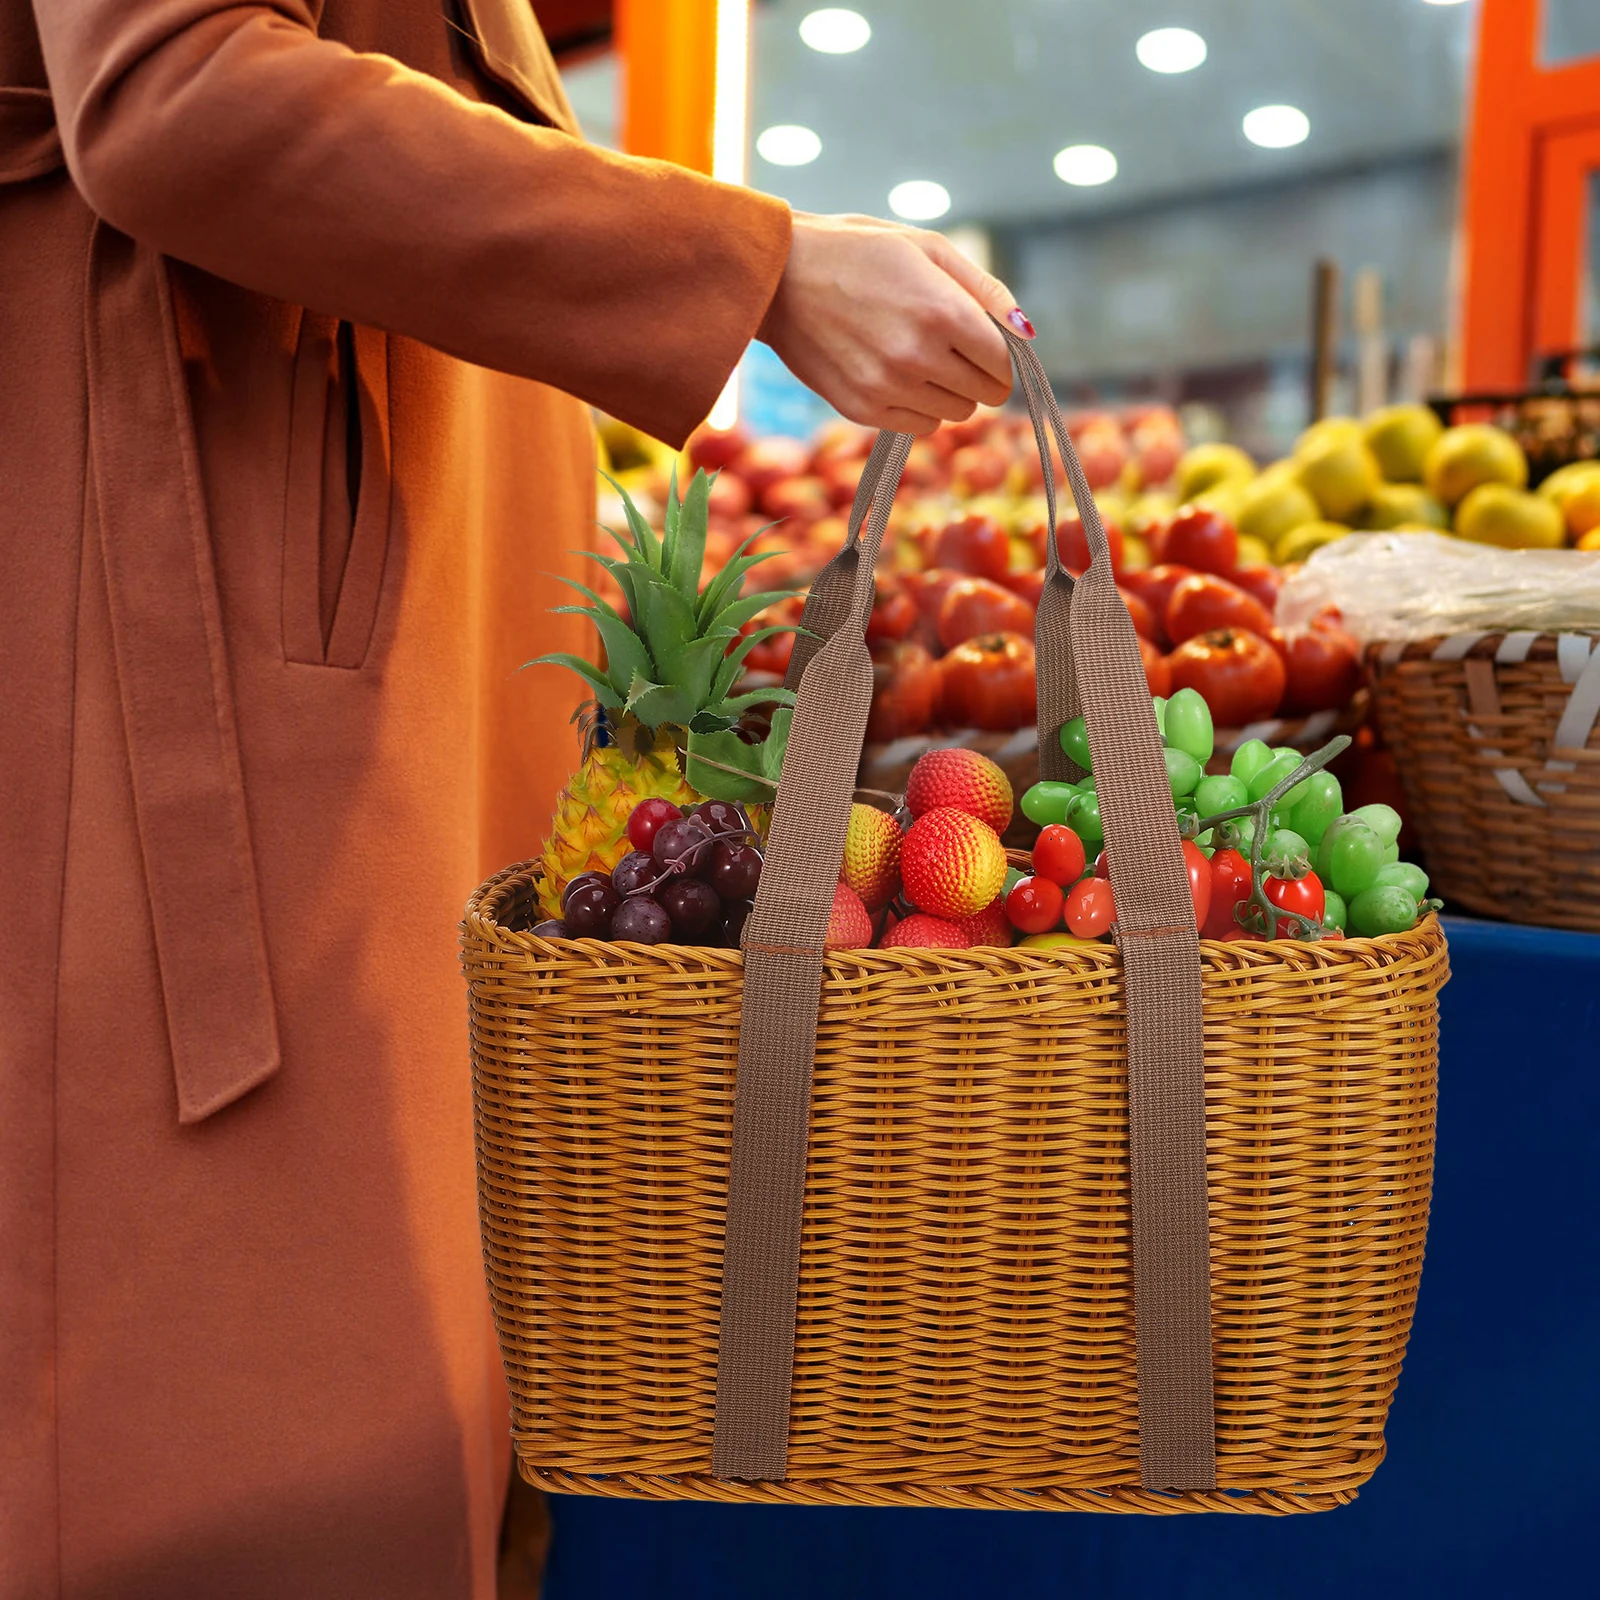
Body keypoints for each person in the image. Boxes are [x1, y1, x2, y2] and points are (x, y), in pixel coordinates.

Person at [0, 3, 1028, 1596]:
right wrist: (755, 265)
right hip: (242, 526)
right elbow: (164, 86)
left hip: (403, 551)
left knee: (418, 1309)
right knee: (255, 1349)